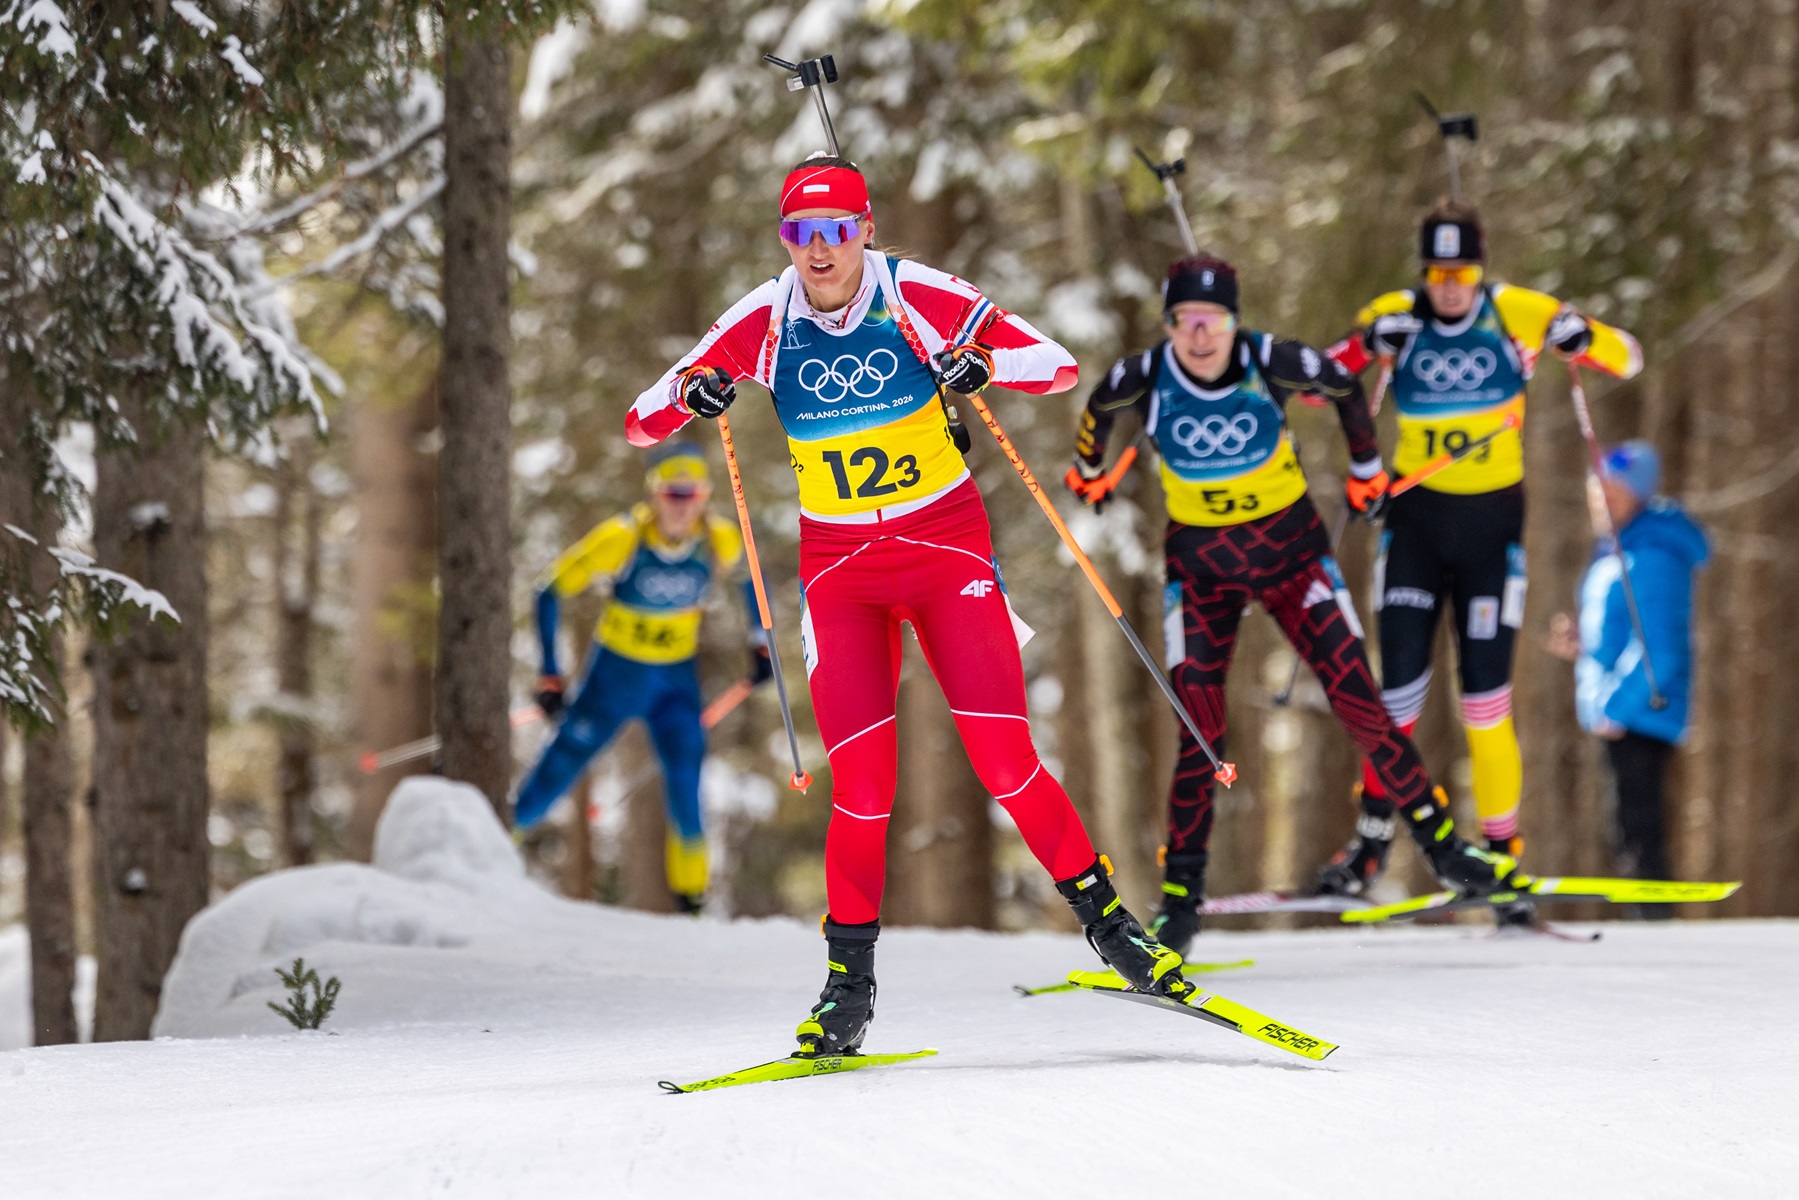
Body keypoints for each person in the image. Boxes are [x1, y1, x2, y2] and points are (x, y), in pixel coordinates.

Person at [626, 152, 1184, 1056]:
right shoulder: (762, 318)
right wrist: (693, 393)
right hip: (842, 572)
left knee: (1005, 759)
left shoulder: (913, 291)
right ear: (785, 241)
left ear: (864, 232)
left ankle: (1115, 931)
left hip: (943, 549)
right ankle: (847, 990)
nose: (819, 250)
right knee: (865, 791)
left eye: (835, 232)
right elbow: (642, 417)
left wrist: (977, 365)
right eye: (801, 235)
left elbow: (1053, 364)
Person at [1064, 255, 1523, 953]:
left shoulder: (1267, 358)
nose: (1199, 337)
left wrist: (1367, 470)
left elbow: (1341, 384)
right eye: (1185, 322)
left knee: (1362, 705)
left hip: (1293, 559)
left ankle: (1446, 852)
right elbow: (1097, 408)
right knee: (1199, 730)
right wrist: (1087, 472)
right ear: (1168, 326)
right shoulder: (1145, 374)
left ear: (1233, 322)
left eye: (1212, 321)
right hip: (1202, 572)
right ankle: (1180, 903)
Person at [1312, 199, 1644, 922]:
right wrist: (1366, 341)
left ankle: (1501, 858)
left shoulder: (1511, 309)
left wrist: (1580, 334)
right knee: (1393, 701)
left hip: (1493, 532)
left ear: (1479, 269)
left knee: (1485, 706)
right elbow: (1319, 383)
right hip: (1415, 528)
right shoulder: (1398, 313)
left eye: (1461, 271)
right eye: (1437, 273)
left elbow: (1627, 356)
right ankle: (1371, 842)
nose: (1449, 287)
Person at [513, 442, 768, 913]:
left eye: (692, 495)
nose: (682, 505)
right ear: (654, 495)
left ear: (705, 496)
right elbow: (549, 589)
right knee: (561, 765)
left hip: (674, 683)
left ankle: (691, 902)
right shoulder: (623, 538)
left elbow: (751, 580)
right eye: (673, 494)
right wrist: (550, 675)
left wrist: (760, 643)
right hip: (615, 675)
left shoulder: (718, 540)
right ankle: (494, 850)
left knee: (687, 779)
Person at [1548, 440, 1708, 918]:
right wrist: (1584, 643)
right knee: (1628, 828)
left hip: (1640, 711)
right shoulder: (1623, 549)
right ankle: (1648, 922)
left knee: (1638, 828)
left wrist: (1614, 708)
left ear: (1637, 497)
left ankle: (1655, 927)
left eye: (1613, 495)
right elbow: (1622, 632)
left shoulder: (1652, 554)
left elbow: (1660, 649)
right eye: (1597, 493)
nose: (1602, 503)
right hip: (1624, 707)